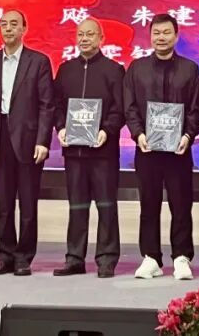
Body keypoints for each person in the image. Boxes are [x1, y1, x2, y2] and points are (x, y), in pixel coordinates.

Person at [0, 10, 55, 276]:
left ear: (24, 29)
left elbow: (47, 105)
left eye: (14, 24)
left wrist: (43, 140)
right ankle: (5, 255)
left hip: (29, 140)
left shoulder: (38, 61)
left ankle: (23, 257)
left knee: (28, 205)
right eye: (4, 24)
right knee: (4, 204)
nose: (8, 29)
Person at [124, 13, 199, 281]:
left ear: (176, 36)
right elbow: (129, 106)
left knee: (181, 204)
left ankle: (181, 257)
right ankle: (151, 257)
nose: (161, 37)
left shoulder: (189, 69)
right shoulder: (137, 68)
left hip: (179, 150)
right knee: (148, 203)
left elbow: (195, 108)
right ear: (150, 36)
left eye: (166, 32)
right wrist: (138, 134)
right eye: (156, 33)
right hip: (147, 149)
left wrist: (188, 135)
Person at [52, 18, 125, 278]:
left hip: (103, 151)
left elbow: (120, 108)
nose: (84, 39)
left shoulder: (114, 70)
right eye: (80, 34)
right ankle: (74, 258)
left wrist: (107, 130)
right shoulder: (66, 70)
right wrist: (61, 127)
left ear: (101, 38)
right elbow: (56, 105)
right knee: (77, 206)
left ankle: (106, 259)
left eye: (90, 34)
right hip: (74, 152)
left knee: (106, 207)